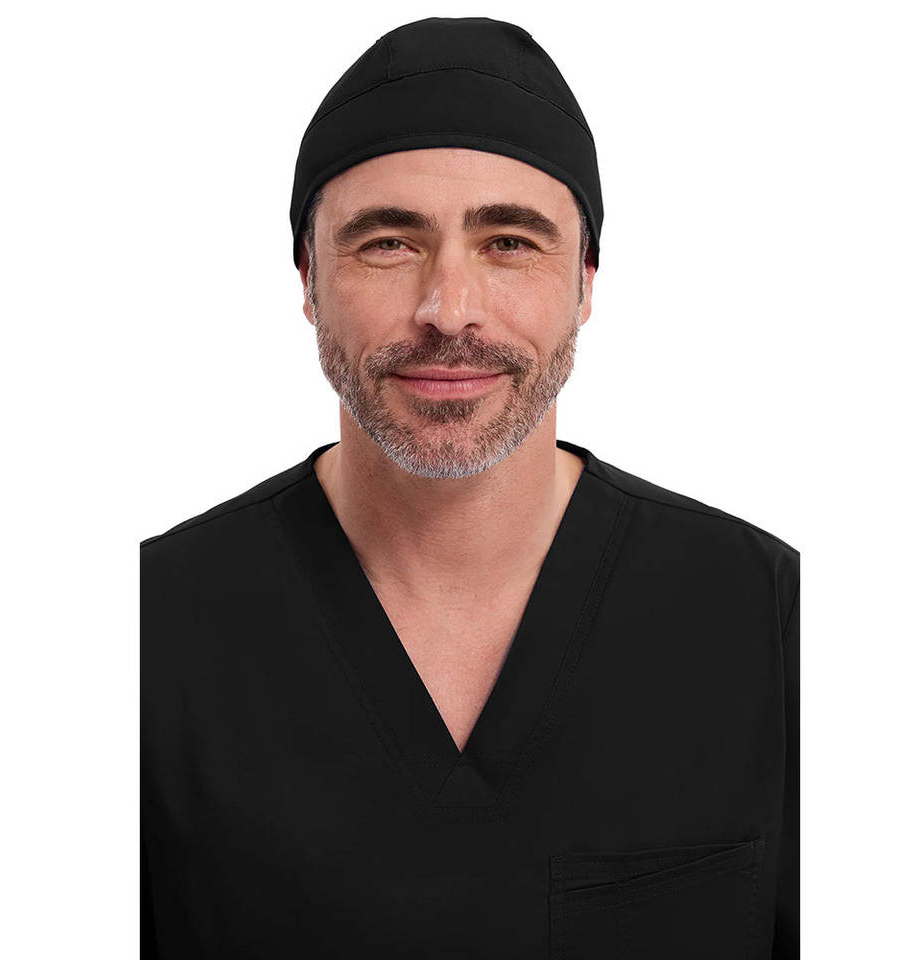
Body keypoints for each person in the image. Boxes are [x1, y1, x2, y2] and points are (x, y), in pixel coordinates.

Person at [141, 16, 799, 959]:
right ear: (308, 280)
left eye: (510, 242)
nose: (449, 311)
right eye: (387, 243)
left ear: (586, 281)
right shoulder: (144, 636)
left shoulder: (768, 620)